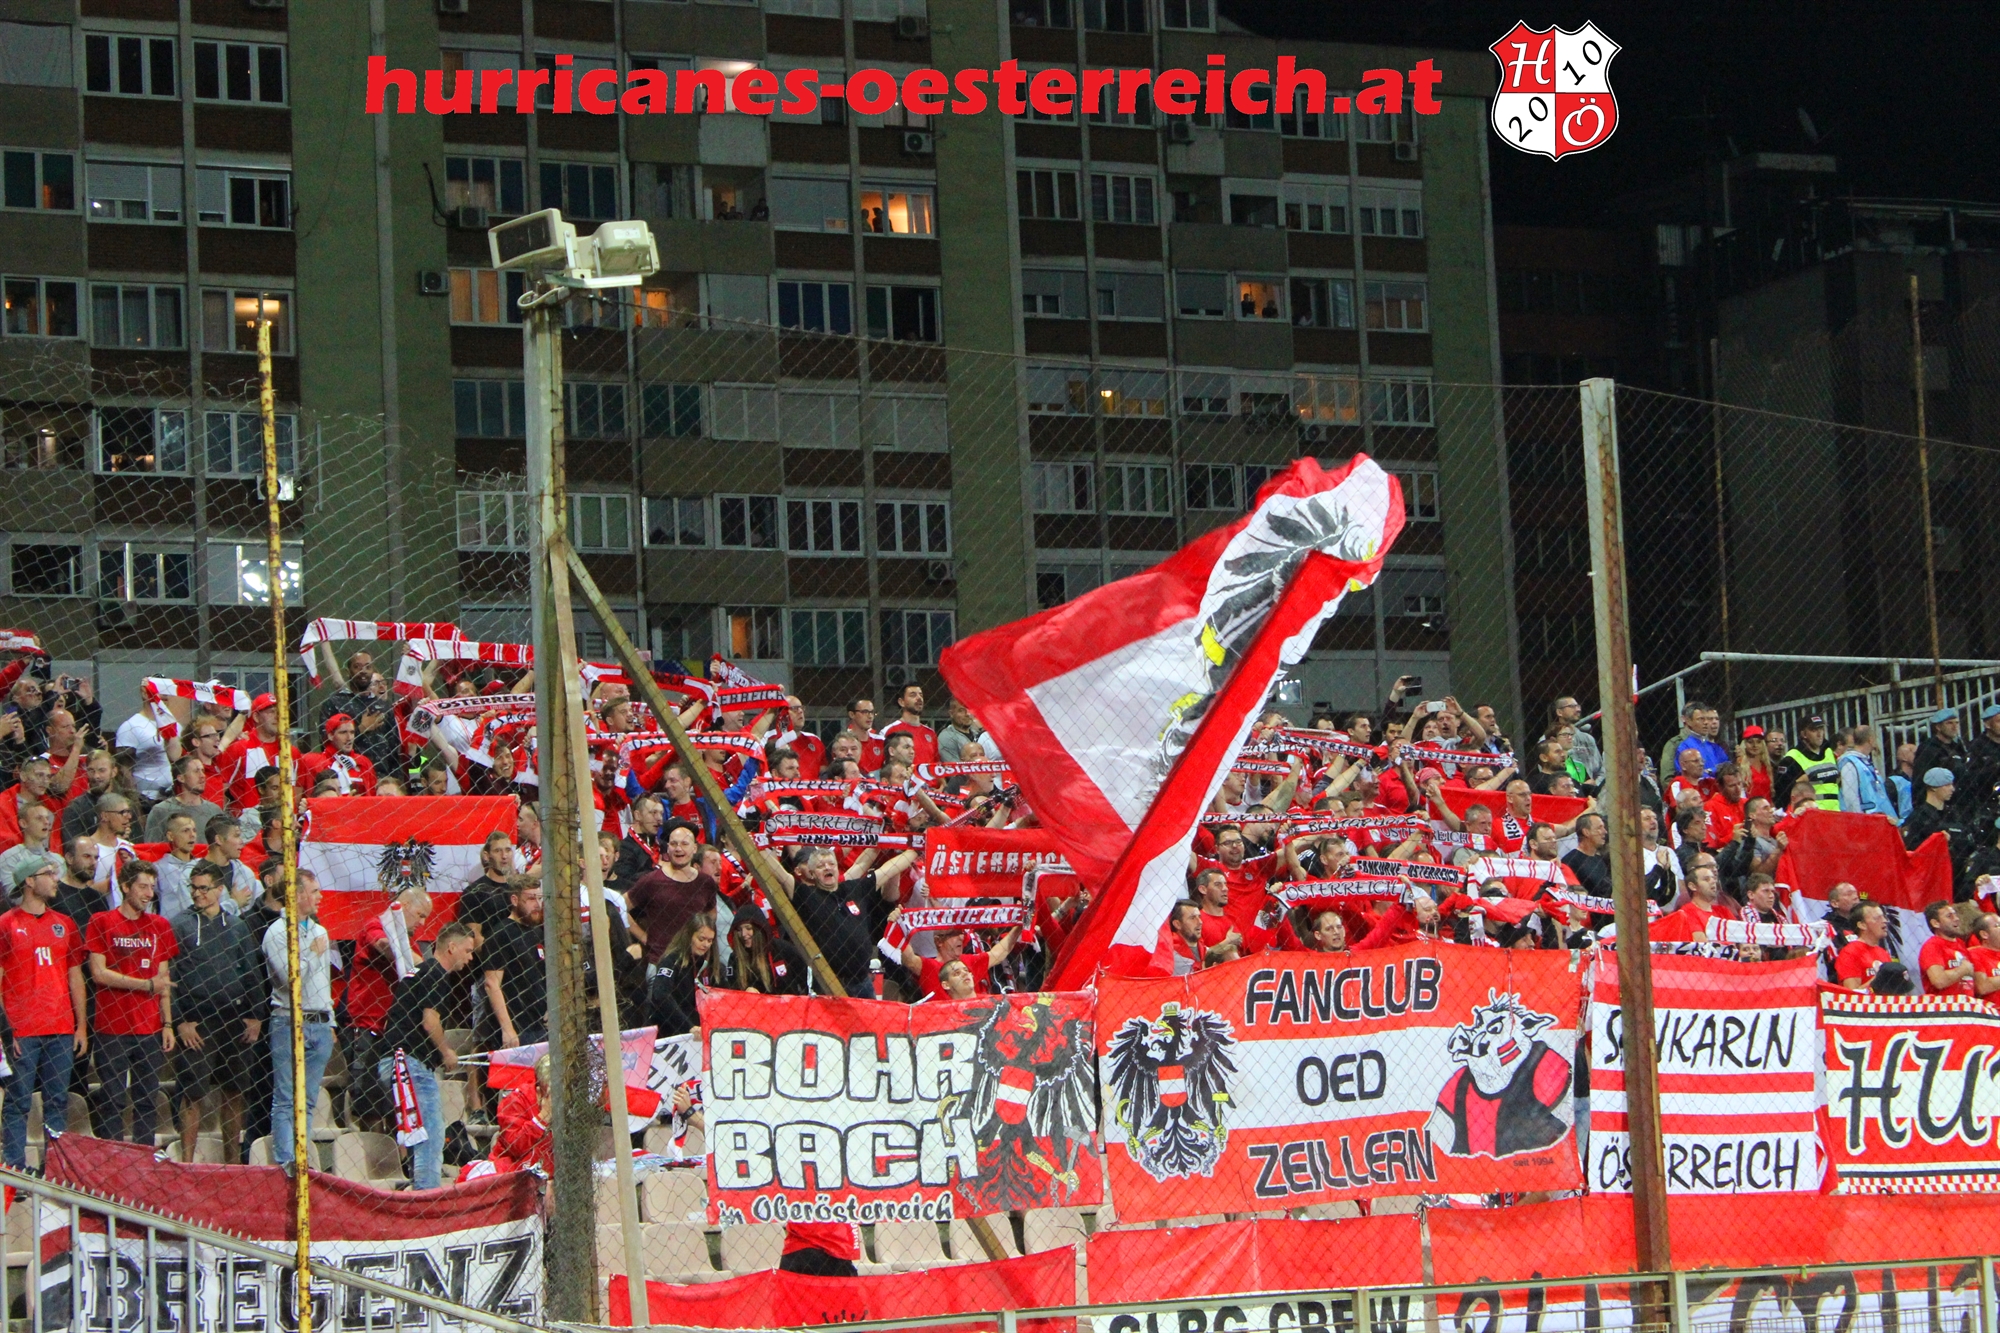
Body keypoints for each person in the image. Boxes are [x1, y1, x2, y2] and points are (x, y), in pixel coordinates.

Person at [171, 862, 265, 1163]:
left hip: (233, 1019)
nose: (197, 894)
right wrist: (179, 1021)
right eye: (194, 888)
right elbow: (170, 976)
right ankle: (187, 1162)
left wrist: (256, 1015)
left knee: (235, 1091)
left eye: (204, 888)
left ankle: (232, 1162)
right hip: (196, 1021)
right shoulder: (181, 925)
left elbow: (252, 972)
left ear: (220, 889)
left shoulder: (237, 927)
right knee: (193, 1093)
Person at [0, 853, 89, 1168]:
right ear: (29, 881)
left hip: (61, 1027)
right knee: (18, 1102)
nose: (55, 879)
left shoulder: (64, 924)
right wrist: (4, 1030)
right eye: (48, 874)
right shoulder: (6, 924)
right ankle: (15, 1168)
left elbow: (75, 975)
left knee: (57, 1101)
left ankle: (55, 1169)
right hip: (21, 1029)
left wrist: (81, 1025)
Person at [378, 922, 477, 1191]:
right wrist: (446, 1051)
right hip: (410, 1063)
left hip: (395, 1060)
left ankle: (419, 1191)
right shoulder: (436, 974)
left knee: (417, 1134)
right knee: (431, 1137)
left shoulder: (419, 971)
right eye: (468, 951)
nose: (470, 958)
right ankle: (427, 1197)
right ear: (451, 947)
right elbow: (430, 1021)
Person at [85, 860, 178, 1144]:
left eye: (152, 887)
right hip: (111, 1026)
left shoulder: (159, 925)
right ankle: (113, 1155)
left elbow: (163, 978)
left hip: (149, 1027)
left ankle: (144, 1156)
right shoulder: (101, 921)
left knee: (147, 1099)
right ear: (125, 887)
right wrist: (145, 985)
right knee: (112, 1098)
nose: (149, 894)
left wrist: (167, 1023)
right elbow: (99, 973)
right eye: (142, 887)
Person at [767, 845, 917, 996]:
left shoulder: (854, 888)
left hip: (862, 981)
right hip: (827, 984)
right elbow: (780, 874)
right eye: (820, 866)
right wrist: (758, 847)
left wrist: (916, 849)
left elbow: (888, 870)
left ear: (837, 868)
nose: (827, 867)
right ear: (812, 873)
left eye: (831, 864)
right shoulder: (805, 895)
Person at [263, 869, 335, 1172]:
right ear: (298, 894)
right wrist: (311, 952)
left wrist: (331, 1022)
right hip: (289, 1023)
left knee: (308, 1099)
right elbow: (289, 980)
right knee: (286, 1097)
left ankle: (301, 1159)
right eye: (314, 891)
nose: (320, 896)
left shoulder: (320, 931)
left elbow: (324, 982)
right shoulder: (277, 933)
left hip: (320, 1023)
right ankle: (286, 1163)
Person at [344, 887, 431, 1132]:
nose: (422, 923)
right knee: (369, 1096)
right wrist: (422, 964)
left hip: (393, 1029)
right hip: (368, 1026)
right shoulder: (375, 926)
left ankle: (395, 1148)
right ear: (403, 906)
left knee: (397, 1096)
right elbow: (383, 944)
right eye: (420, 915)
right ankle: (374, 1147)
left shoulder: (407, 940)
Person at [627, 823, 718, 966]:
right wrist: (644, 937)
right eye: (674, 844)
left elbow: (711, 914)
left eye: (684, 844)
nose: (678, 848)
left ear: (694, 848)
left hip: (694, 963)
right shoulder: (652, 880)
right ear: (668, 848)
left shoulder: (706, 882)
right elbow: (620, 906)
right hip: (659, 961)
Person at [481, 878, 548, 1049]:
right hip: (516, 1027)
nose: (537, 904)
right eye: (531, 899)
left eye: (540, 898)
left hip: (539, 1023)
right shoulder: (501, 934)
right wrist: (507, 1029)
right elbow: (491, 984)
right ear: (514, 900)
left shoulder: (537, 932)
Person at [895, 915, 1021, 1000]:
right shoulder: (929, 966)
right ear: (939, 941)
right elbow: (909, 959)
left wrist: (1019, 926)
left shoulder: (968, 960)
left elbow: (998, 953)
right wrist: (897, 926)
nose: (961, 937)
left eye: (961, 933)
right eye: (954, 934)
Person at [649, 911, 715, 1036]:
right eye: (701, 939)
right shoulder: (671, 960)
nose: (705, 944)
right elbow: (661, 994)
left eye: (710, 940)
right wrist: (688, 1026)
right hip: (671, 1031)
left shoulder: (711, 965)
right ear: (689, 935)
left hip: (702, 1030)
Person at [720, 910, 808, 994]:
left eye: (748, 928)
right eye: (739, 930)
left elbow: (806, 976)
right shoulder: (735, 958)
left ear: (759, 929)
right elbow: (733, 991)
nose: (743, 934)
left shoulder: (782, 949)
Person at [295, 714, 378, 797]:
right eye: (343, 732)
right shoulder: (313, 761)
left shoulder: (364, 762)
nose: (349, 738)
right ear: (330, 736)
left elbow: (372, 795)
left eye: (352, 732)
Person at [113, 689, 173, 802]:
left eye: (166, 689)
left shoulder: (173, 725)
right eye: (158, 689)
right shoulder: (131, 726)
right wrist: (135, 802)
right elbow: (124, 769)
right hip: (146, 798)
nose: (164, 694)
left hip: (173, 796)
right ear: (145, 693)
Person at [1775, 715, 1841, 812]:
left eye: (1821, 729)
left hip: (1835, 812)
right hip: (1811, 814)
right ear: (1804, 734)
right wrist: (1803, 780)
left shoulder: (1828, 751)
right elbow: (1782, 794)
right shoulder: (1791, 759)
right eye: (1814, 730)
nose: (1819, 734)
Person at [1839, 725, 1900, 822]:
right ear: (1870, 740)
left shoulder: (1866, 763)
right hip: (1865, 822)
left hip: (1880, 820)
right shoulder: (1850, 763)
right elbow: (1850, 796)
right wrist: (1857, 822)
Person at [1919, 900, 1977, 997]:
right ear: (1935, 923)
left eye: (1955, 915)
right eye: (1949, 916)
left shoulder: (1960, 944)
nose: (1956, 919)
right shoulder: (1932, 945)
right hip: (1945, 1005)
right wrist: (1962, 970)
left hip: (1966, 1003)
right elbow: (1938, 981)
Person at [1836, 904, 1895, 990]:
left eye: (1883, 917)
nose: (1885, 921)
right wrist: (1879, 978)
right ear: (1862, 925)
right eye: (1877, 918)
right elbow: (1852, 992)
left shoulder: (1883, 953)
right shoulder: (1850, 952)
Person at [881, 684, 938, 765]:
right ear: (901, 702)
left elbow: (936, 763)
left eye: (921, 695)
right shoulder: (889, 730)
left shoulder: (930, 733)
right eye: (913, 695)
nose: (919, 698)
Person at [1561, 812, 1612, 897]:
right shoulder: (1571, 861)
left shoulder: (1600, 859)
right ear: (1586, 832)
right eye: (1599, 828)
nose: (1605, 832)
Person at [936, 698, 986, 765]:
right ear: (951, 713)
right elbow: (954, 768)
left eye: (969, 709)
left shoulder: (976, 733)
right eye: (961, 710)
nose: (967, 714)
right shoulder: (946, 737)